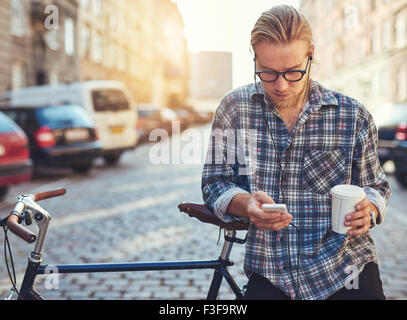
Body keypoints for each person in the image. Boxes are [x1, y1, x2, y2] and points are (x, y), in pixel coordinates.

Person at [201, 5, 390, 300]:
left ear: (311, 54)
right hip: (272, 272)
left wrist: (371, 208)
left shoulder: (352, 114)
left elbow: (376, 186)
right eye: (267, 72)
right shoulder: (234, 108)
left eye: (293, 72)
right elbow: (214, 184)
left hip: (345, 268)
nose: (280, 85)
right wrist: (246, 203)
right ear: (254, 57)